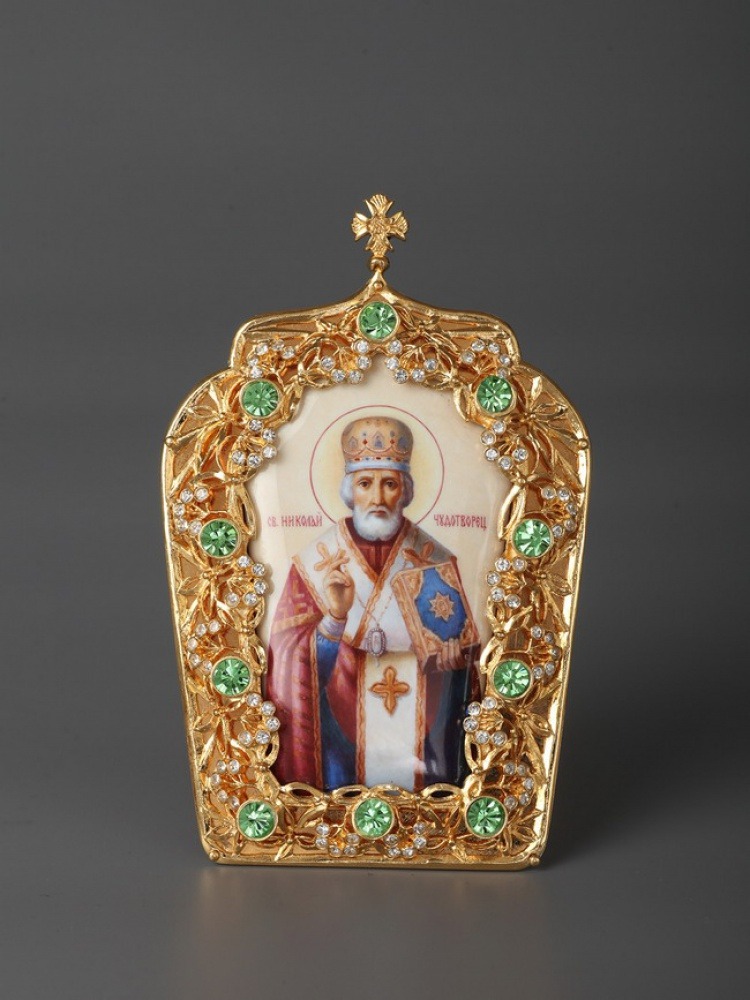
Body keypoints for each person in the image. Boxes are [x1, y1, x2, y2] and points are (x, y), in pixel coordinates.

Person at [266, 415, 479, 791]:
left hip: (422, 743)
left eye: (389, 484)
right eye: (365, 483)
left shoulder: (434, 559)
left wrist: (453, 665)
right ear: (350, 490)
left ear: (405, 491)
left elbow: (469, 669)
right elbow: (286, 663)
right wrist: (335, 618)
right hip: (339, 746)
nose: (378, 498)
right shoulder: (315, 562)